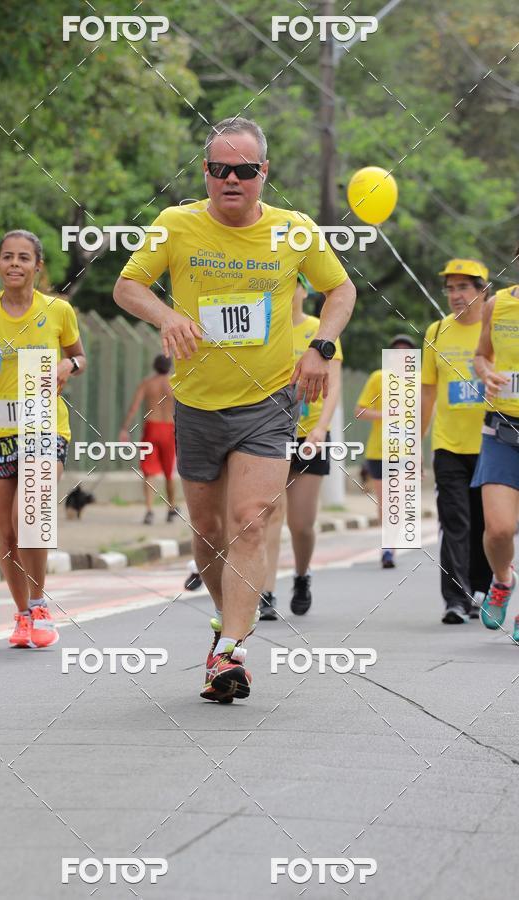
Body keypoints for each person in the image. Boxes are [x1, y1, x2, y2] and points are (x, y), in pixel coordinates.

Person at [114, 116, 356, 702]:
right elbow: (127, 287)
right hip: (195, 403)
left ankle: (230, 654)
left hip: (268, 400)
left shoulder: (294, 232)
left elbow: (342, 290)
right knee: (209, 532)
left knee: (250, 518)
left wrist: (321, 347)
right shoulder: (176, 224)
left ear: (263, 175)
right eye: (220, 169)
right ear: (205, 173)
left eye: (243, 171)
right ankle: (228, 619)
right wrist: (167, 316)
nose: (231, 179)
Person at [0, 230, 86, 649]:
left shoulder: (58, 310)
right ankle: (23, 615)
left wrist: (69, 366)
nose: (14, 264)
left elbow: (80, 356)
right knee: (7, 533)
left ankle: (41, 604)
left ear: (37, 266)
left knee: (30, 517)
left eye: (23, 258)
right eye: (6, 257)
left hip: (45, 424)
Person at [259, 275, 344, 620]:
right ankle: (265, 592)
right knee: (269, 515)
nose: (287, 289)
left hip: (310, 436)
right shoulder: (263, 329)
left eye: (293, 283)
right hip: (269, 435)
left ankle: (302, 575)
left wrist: (321, 429)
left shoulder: (321, 331)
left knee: (301, 523)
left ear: (304, 291)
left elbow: (333, 385)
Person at [421, 259, 492, 624]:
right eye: (450, 288)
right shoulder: (435, 331)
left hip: (492, 444)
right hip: (448, 445)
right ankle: (455, 598)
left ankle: (481, 589)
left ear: (483, 290)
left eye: (463, 287)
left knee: (487, 525)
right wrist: (413, 443)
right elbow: (428, 393)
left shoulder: (497, 329)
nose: (455, 295)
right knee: (454, 521)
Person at [472, 280, 519, 639]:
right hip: (503, 428)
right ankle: (503, 579)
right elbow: (481, 354)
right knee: (499, 528)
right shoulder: (498, 304)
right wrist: (486, 373)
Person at [355, 334, 416, 569]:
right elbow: (359, 411)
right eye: (396, 352)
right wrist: (385, 415)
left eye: (406, 352)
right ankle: (387, 545)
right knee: (386, 501)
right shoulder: (379, 378)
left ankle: (390, 546)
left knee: (398, 499)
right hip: (379, 451)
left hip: (405, 452)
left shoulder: (418, 381)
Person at [119, 354, 179, 524]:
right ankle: (171, 508)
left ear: (155, 366)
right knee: (169, 472)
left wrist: (125, 428)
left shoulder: (147, 384)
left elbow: (134, 407)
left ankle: (149, 510)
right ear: (169, 366)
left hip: (151, 428)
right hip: (169, 429)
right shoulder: (174, 384)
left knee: (148, 471)